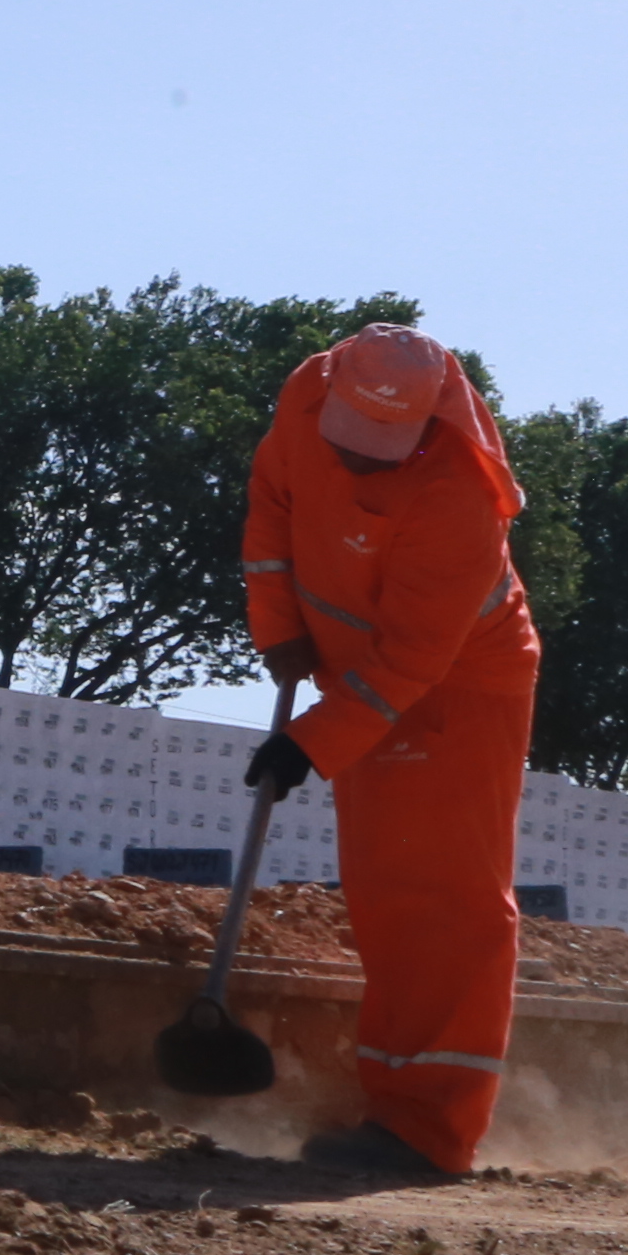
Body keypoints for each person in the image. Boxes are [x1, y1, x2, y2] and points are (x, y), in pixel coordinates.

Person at [240, 319, 543, 1178]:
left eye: (385, 447)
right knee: (384, 891)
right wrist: (280, 633)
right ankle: (393, 1102)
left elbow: (411, 661)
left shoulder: (458, 502)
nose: (361, 460)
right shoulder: (304, 398)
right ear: (328, 389)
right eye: (352, 438)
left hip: (455, 692)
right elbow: (272, 508)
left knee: (448, 899)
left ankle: (430, 1132)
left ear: (431, 420)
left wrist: (310, 744)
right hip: (354, 678)